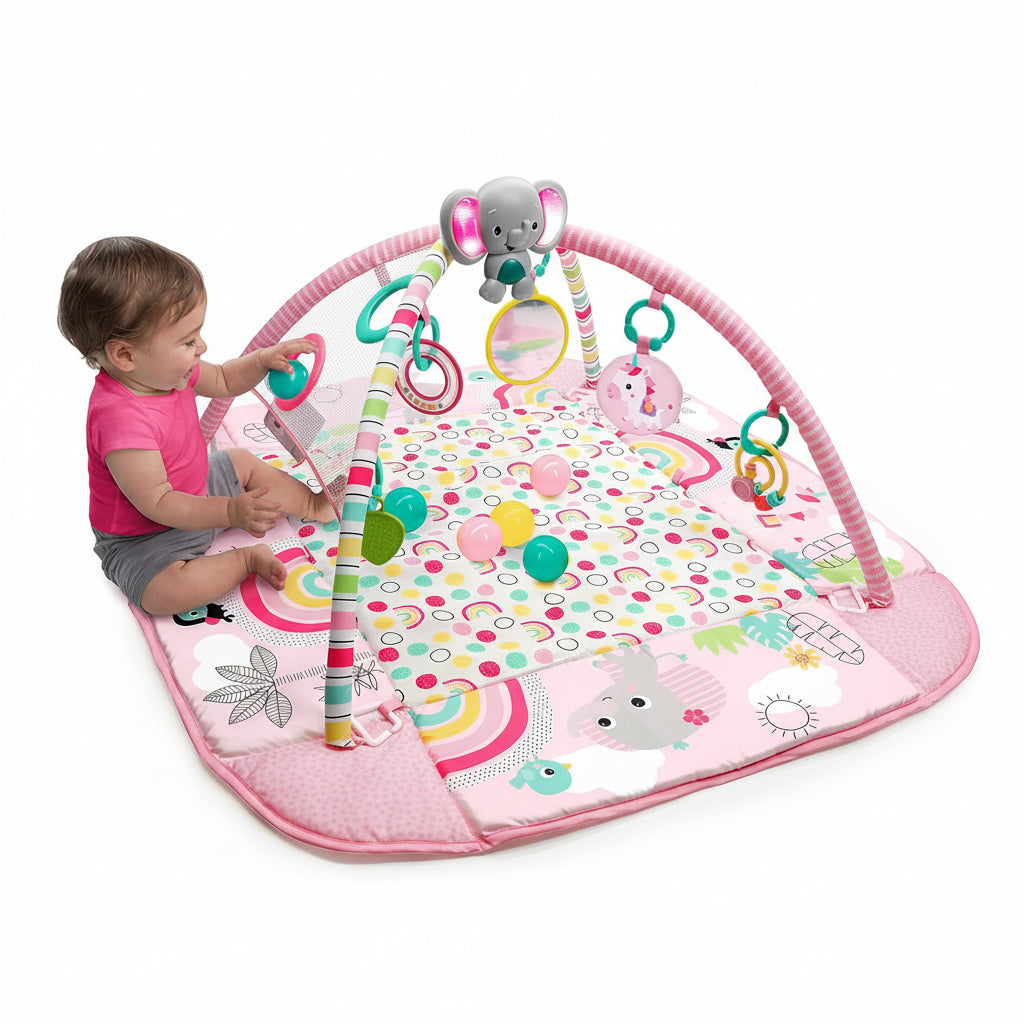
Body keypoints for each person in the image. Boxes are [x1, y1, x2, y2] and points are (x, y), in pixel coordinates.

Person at [59, 236, 335, 616]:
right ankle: (243, 560)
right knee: (162, 594)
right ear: (125, 355)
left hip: (199, 489)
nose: (201, 347)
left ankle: (313, 503)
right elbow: (159, 503)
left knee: (239, 461)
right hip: (144, 537)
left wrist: (262, 360)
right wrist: (230, 513)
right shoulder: (119, 418)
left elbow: (224, 378)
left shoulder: (167, 371)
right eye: (188, 340)